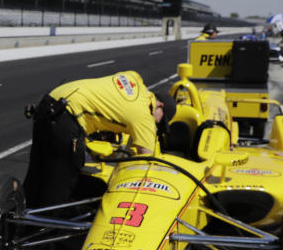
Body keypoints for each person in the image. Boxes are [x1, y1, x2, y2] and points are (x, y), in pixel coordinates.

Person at [23, 72, 176, 209]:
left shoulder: (133, 78)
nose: (156, 126)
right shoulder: (144, 117)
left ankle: (19, 222)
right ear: (159, 106)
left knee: (38, 172)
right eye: (160, 122)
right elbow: (146, 162)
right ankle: (47, 234)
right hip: (67, 117)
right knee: (62, 184)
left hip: (50, 101)